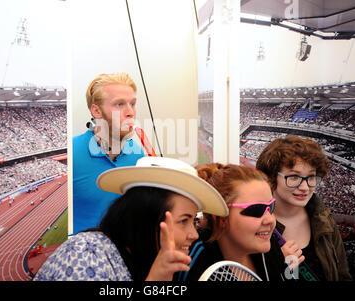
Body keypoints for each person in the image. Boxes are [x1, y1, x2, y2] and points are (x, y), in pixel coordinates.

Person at [34, 157, 228, 281]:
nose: (194, 234)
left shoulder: (149, 258)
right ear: (148, 217)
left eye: (194, 221)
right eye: (184, 221)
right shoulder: (84, 255)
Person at [256, 135, 352, 281]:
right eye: (294, 177)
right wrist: (275, 266)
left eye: (311, 177)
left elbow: (343, 274)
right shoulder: (255, 224)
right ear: (272, 177)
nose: (305, 187)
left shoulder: (323, 217)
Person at [179, 163, 290, 281]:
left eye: (271, 207)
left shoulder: (269, 243)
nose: (270, 219)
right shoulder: (192, 262)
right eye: (256, 210)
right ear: (221, 218)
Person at [73, 72, 145, 234]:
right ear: (96, 111)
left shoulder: (138, 155)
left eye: (132, 104)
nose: (130, 112)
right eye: (119, 104)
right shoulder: (72, 153)